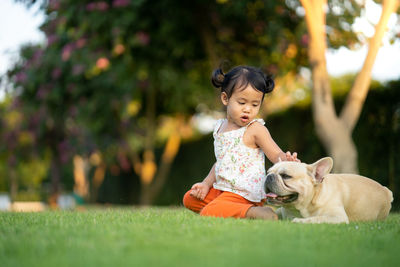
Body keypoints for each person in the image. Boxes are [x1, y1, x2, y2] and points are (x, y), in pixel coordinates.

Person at [182, 65, 300, 220]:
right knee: (189, 198)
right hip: (224, 189)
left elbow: (275, 154)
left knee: (208, 212)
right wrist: (205, 184)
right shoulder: (219, 128)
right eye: (242, 102)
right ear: (225, 99)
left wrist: (287, 160)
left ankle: (255, 212)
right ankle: (226, 208)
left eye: (254, 104)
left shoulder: (255, 129)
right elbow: (220, 164)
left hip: (245, 193)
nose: (248, 109)